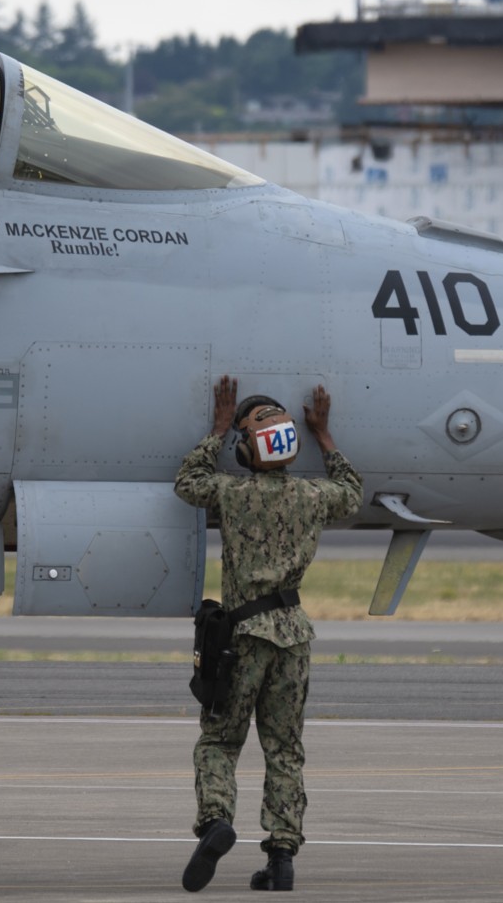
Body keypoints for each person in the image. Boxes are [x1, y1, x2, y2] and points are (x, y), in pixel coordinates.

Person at [173, 376, 361, 893]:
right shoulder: (314, 496)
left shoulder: (232, 494)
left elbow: (187, 482)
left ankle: (216, 822)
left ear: (243, 450)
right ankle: (281, 859)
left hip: (243, 637)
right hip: (294, 634)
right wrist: (324, 435)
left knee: (219, 740)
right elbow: (352, 491)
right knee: (284, 749)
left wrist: (215, 428)